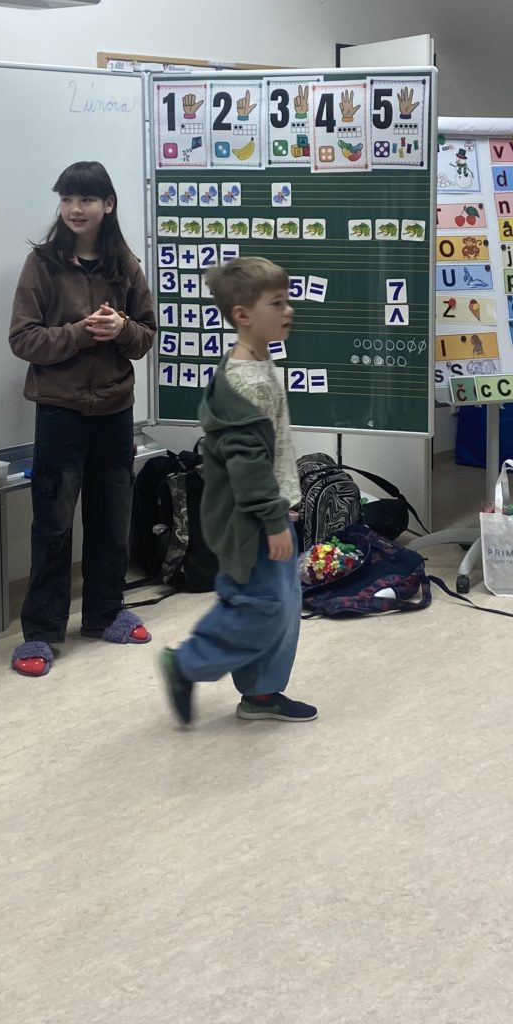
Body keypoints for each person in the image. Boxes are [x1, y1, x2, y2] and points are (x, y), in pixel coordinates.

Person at [7, 161, 156, 677]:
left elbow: (146, 336)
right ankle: (41, 632)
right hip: (60, 412)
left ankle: (105, 613)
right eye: (67, 198)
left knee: (112, 518)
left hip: (115, 410)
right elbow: (22, 339)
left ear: (107, 205)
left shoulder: (124, 265)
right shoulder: (42, 264)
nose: (75, 209)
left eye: (86, 199)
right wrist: (79, 332)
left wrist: (121, 330)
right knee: (52, 523)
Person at [157, 257, 316, 725]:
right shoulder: (244, 382)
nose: (289, 311)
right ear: (243, 314)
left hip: (273, 509)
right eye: (277, 303)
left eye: (287, 301)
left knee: (283, 604)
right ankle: (187, 663)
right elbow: (247, 465)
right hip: (253, 519)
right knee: (259, 605)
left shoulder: (260, 359)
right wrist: (272, 516)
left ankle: (261, 694)